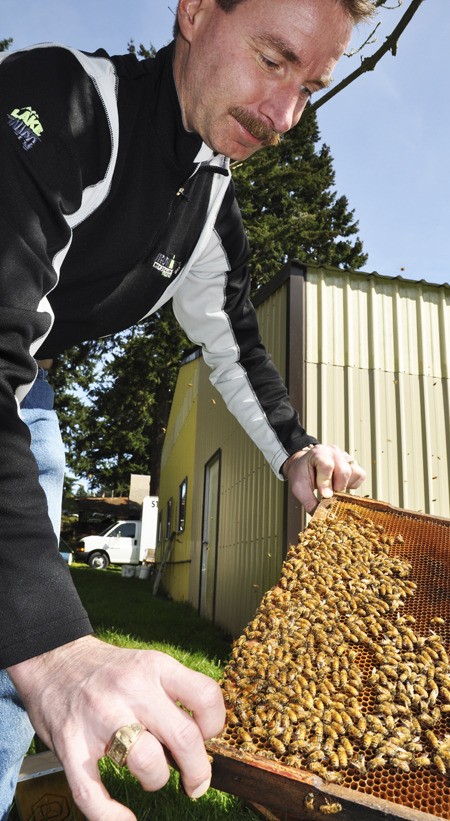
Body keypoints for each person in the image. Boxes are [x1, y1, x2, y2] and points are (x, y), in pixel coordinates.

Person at [0, 0, 372, 817]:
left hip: (29, 390)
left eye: (310, 86)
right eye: (274, 59)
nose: (285, 116)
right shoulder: (59, 103)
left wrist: (296, 450)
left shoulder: (209, 204)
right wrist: (53, 643)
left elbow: (233, 340)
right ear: (197, 13)